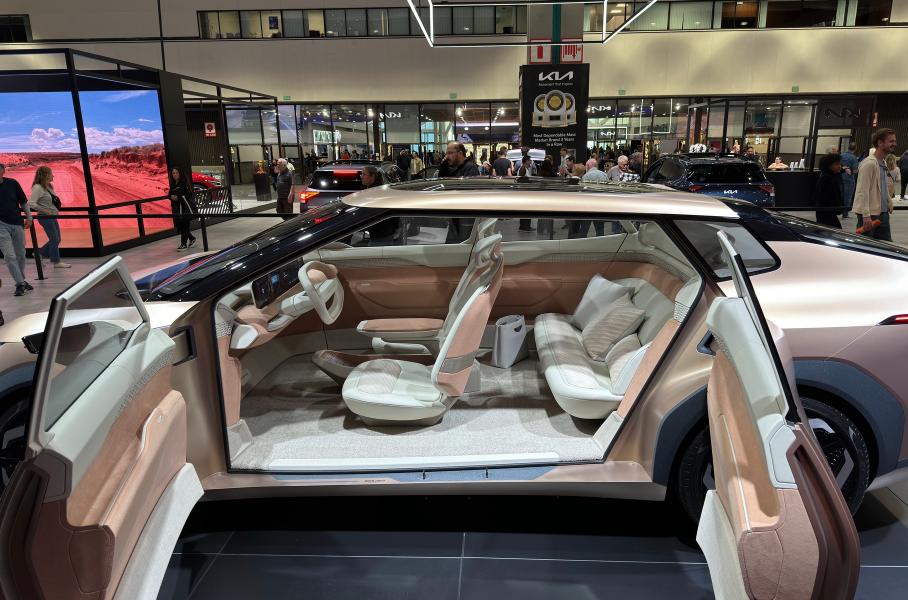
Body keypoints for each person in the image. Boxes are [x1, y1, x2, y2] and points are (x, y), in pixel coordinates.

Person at [853, 128, 897, 241]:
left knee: (886, 246)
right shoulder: (869, 164)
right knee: (865, 246)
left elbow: (882, 186)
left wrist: (889, 200)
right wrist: (866, 215)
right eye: (891, 141)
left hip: (883, 213)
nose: (894, 144)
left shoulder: (883, 162)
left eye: (894, 141)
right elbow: (863, 191)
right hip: (870, 214)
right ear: (880, 143)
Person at [0, 163, 34, 297]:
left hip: (17, 223)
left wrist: (29, 217)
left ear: (3, 171)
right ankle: (20, 284)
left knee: (20, 254)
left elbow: (23, 202)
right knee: (9, 255)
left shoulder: (12, 183)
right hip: (1, 226)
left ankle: (22, 281)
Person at [29, 166, 70, 269]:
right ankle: (56, 262)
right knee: (54, 239)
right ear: (45, 175)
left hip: (51, 217)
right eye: (51, 173)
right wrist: (44, 210)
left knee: (57, 239)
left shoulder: (48, 187)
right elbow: (31, 203)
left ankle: (39, 254)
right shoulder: (38, 187)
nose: (53, 175)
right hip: (45, 217)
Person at [169, 167, 198, 250]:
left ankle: (183, 244)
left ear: (180, 173)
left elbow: (188, 195)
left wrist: (178, 197)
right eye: (173, 173)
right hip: (177, 209)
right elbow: (169, 194)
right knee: (181, 226)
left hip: (185, 208)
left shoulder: (184, 183)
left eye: (176, 173)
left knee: (185, 226)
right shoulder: (173, 184)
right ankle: (192, 238)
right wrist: (171, 197)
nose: (175, 175)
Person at [814, 153, 843, 229]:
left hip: (827, 212)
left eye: (840, 164)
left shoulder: (830, 177)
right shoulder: (826, 178)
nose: (839, 166)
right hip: (826, 213)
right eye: (836, 164)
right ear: (828, 166)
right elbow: (824, 198)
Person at [840, 142, 860, 217]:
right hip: (849, 179)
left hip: (840, 177)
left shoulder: (841, 155)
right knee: (848, 196)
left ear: (848, 147)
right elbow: (855, 171)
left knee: (841, 195)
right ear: (855, 149)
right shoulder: (853, 158)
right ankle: (845, 213)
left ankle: (839, 210)